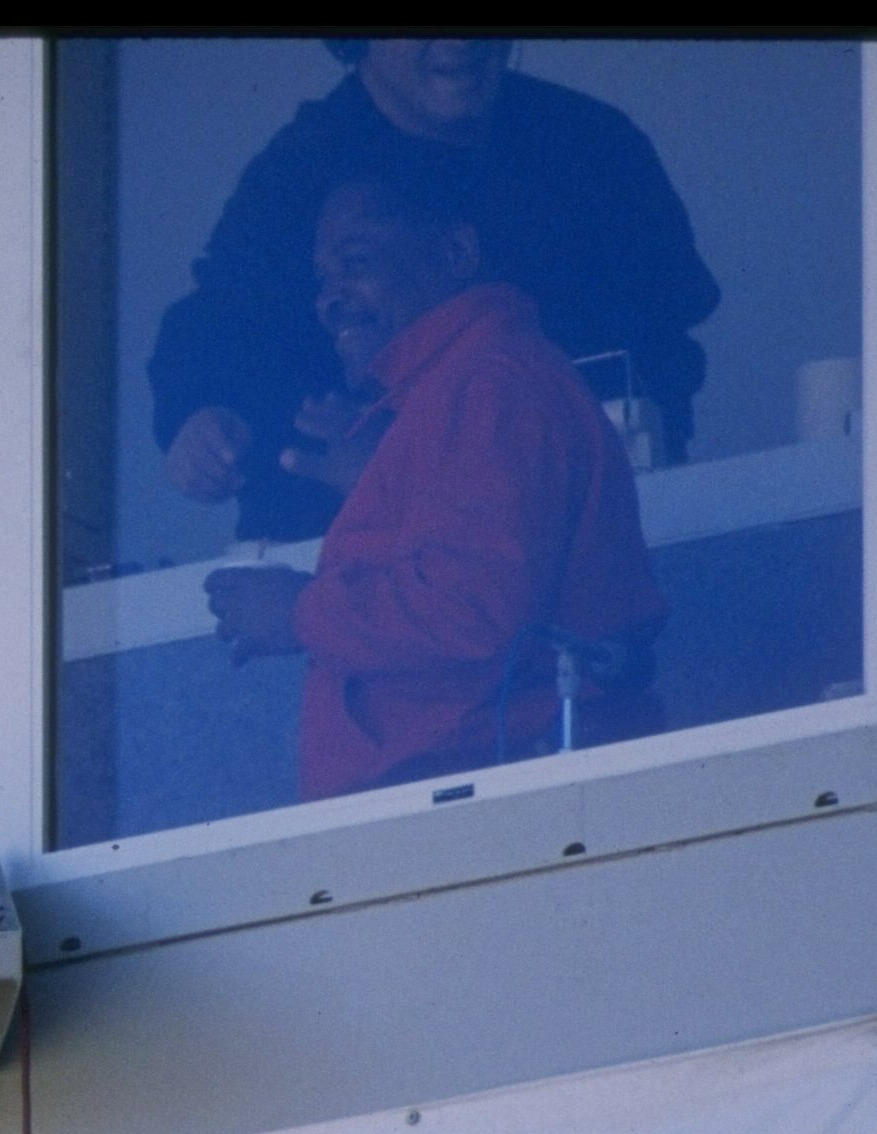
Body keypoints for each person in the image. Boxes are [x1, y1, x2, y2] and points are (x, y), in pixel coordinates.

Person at [203, 177, 668, 801]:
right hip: (466, 806)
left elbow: (469, 604)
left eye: (356, 264)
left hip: (493, 806)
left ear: (456, 253)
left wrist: (298, 611)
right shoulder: (459, 390)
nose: (331, 299)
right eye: (322, 281)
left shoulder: (489, 384)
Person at [149, 39, 718, 544]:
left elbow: (666, 344)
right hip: (341, 567)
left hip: (582, 541)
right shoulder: (292, 177)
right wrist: (198, 417)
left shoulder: (596, 145)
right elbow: (214, 326)